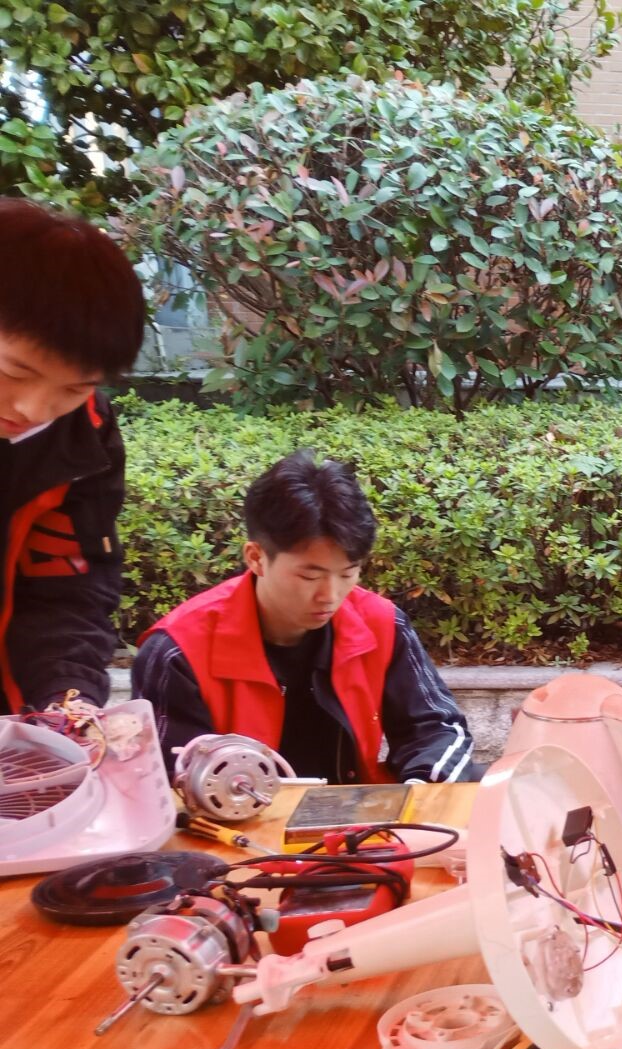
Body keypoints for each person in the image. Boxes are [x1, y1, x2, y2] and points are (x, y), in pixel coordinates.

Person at [134, 452, 477, 784]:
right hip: (238, 817)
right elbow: (170, 781)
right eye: (310, 576)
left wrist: (418, 790)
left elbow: (436, 730)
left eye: (348, 573)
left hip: (358, 813)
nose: (330, 595)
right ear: (256, 558)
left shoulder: (381, 624)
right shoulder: (178, 652)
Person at [0, 199, 145, 714]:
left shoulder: (84, 432)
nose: (33, 409)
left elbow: (64, 591)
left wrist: (68, 698)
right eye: (14, 373)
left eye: (72, 388)